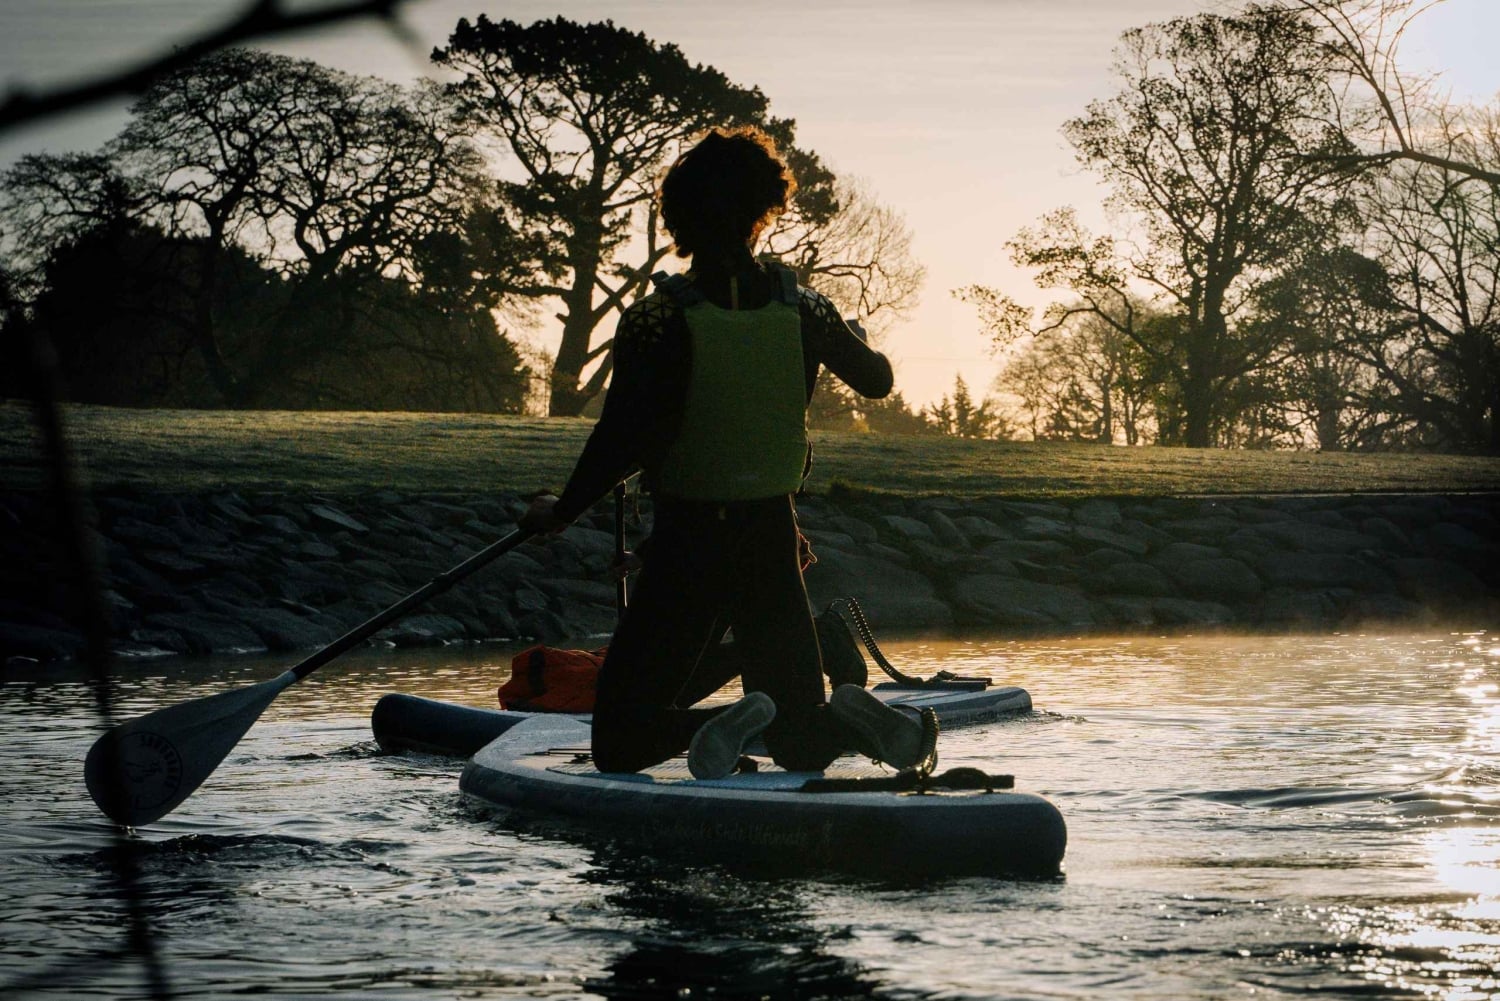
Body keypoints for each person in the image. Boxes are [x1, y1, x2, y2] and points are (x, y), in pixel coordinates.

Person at [519, 125, 928, 779]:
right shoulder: (806, 309)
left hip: (688, 547)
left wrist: (561, 510)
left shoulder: (658, 318)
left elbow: (621, 438)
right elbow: (877, 379)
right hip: (772, 542)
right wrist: (850, 332)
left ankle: (714, 726)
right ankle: (850, 720)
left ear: (680, 217)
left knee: (619, 740)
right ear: (762, 211)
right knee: (798, 740)